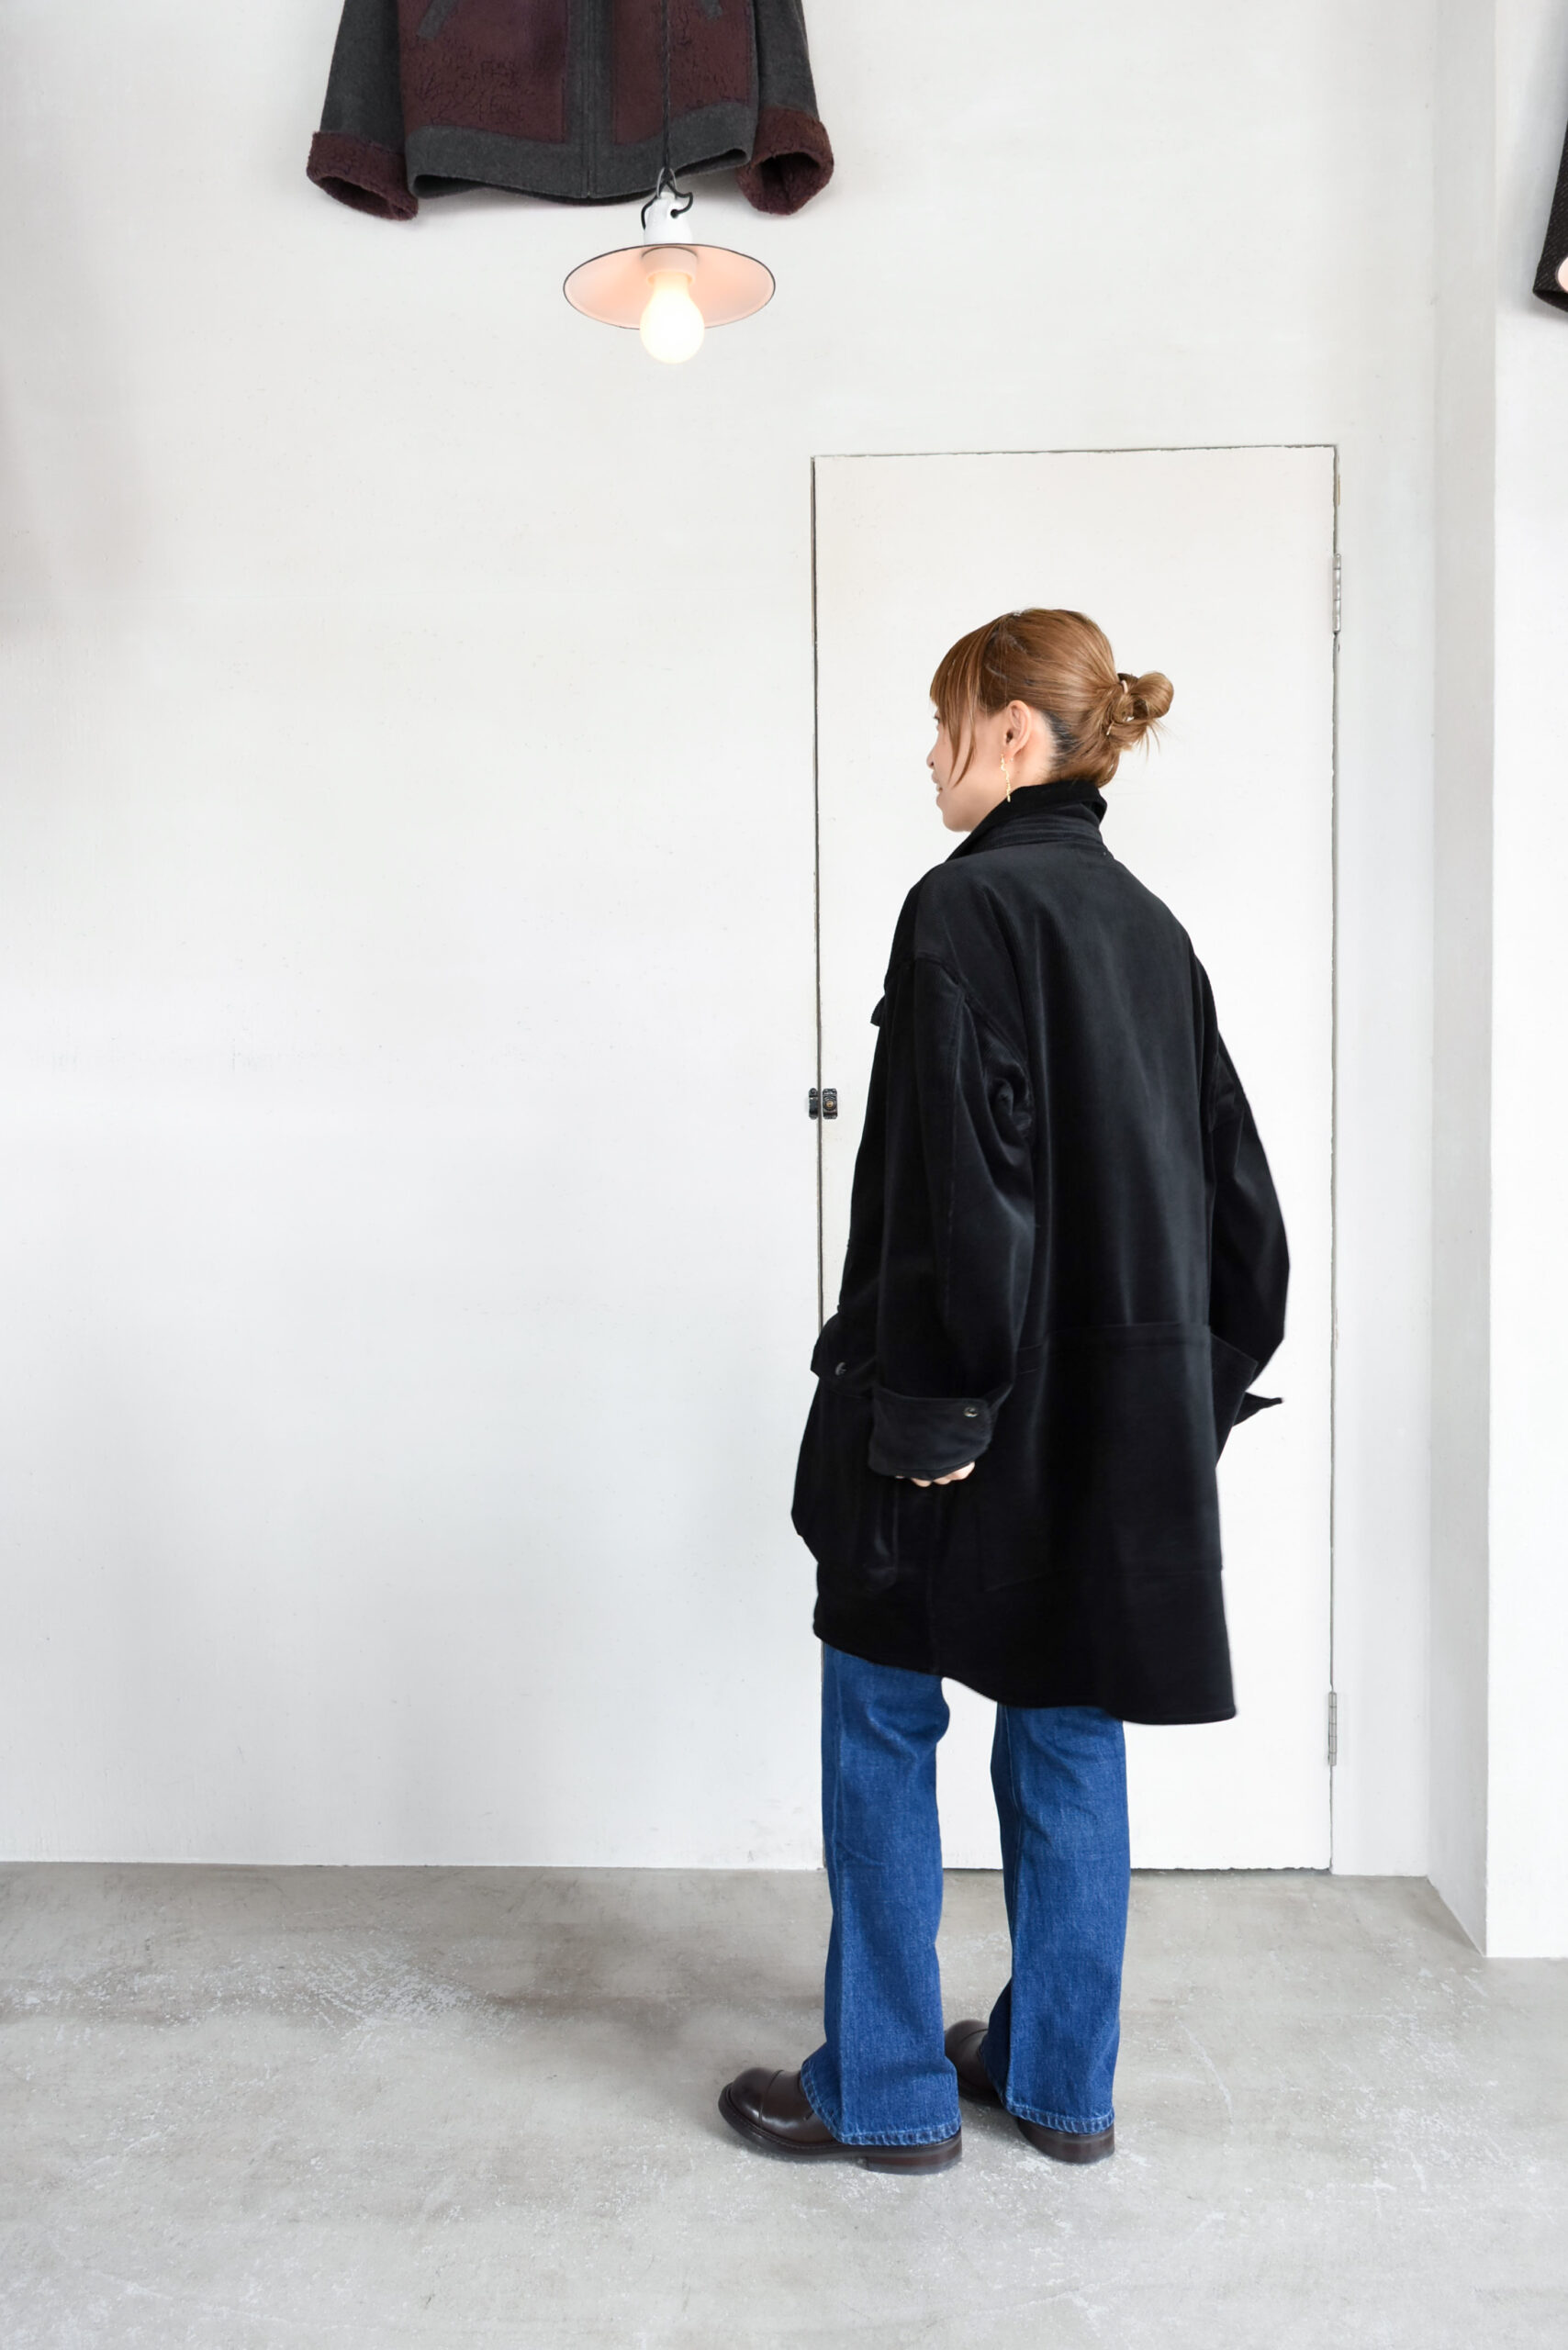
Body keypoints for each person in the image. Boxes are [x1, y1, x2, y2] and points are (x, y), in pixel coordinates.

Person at [719, 609, 1289, 2175]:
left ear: (1018, 734)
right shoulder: (1151, 930)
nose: (929, 754)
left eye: (946, 721)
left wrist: (935, 1411)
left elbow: (964, 1189)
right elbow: (1242, 1208)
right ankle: (1056, 2082)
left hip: (958, 1426)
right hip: (1109, 1434)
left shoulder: (962, 909)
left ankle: (889, 2091)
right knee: (1068, 1727)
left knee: (879, 1714)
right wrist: (1191, 1393)